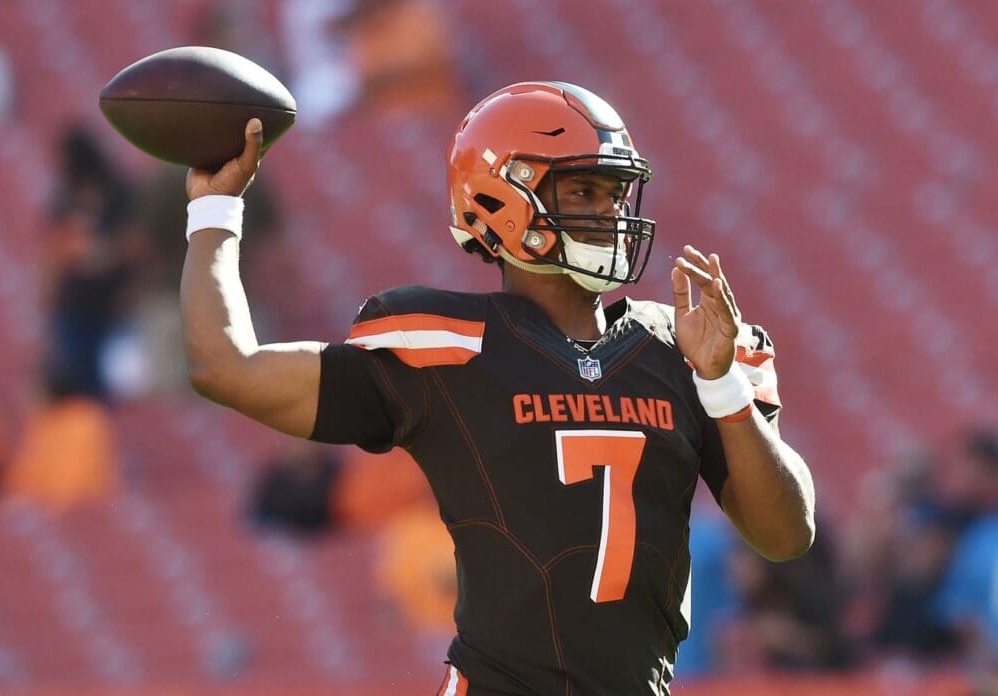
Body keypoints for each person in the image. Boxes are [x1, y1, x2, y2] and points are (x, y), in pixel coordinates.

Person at [179, 82, 815, 695]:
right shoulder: (447, 346)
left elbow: (786, 535)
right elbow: (226, 365)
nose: (612, 211)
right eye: (586, 189)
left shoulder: (687, 350)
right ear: (503, 199)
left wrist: (723, 383)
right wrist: (214, 211)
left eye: (617, 192)